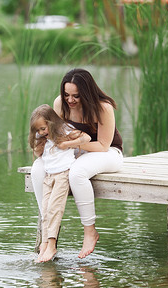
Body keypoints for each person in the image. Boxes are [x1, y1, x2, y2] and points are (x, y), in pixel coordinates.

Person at [30, 69, 123, 259]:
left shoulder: (103, 108)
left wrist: (71, 145)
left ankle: (90, 231)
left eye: (76, 96)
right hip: (74, 150)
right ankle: (48, 232)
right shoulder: (60, 104)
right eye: (66, 95)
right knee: (38, 169)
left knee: (76, 172)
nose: (70, 100)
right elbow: (55, 134)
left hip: (108, 152)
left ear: (87, 93)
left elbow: (104, 145)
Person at [29, 104, 91, 262]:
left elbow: (87, 138)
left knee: (54, 209)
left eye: (43, 128)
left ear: (51, 122)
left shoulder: (64, 130)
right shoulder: (45, 138)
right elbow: (38, 154)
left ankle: (52, 245)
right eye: (38, 130)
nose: (41, 132)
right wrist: (40, 141)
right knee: (45, 210)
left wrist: (67, 144)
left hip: (63, 176)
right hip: (49, 177)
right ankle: (44, 243)